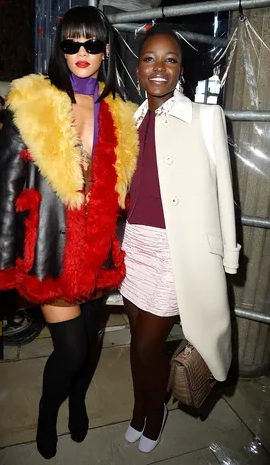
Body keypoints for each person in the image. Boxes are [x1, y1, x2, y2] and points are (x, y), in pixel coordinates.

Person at [0, 6, 138, 460]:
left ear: (106, 49)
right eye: (73, 43)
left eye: (93, 43)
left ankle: (79, 401)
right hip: (50, 248)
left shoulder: (118, 112)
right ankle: (49, 412)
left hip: (99, 251)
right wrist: (3, 266)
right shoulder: (33, 105)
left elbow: (123, 187)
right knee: (70, 352)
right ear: (60, 48)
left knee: (89, 349)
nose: (83, 52)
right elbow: (5, 189)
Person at [120, 23, 241, 453]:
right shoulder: (130, 119)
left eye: (169, 60)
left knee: (148, 342)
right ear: (138, 70)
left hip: (178, 252)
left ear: (180, 71)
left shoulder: (206, 117)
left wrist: (228, 257)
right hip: (134, 245)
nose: (159, 68)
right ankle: (140, 408)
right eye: (150, 59)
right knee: (137, 342)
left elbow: (224, 191)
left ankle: (155, 413)